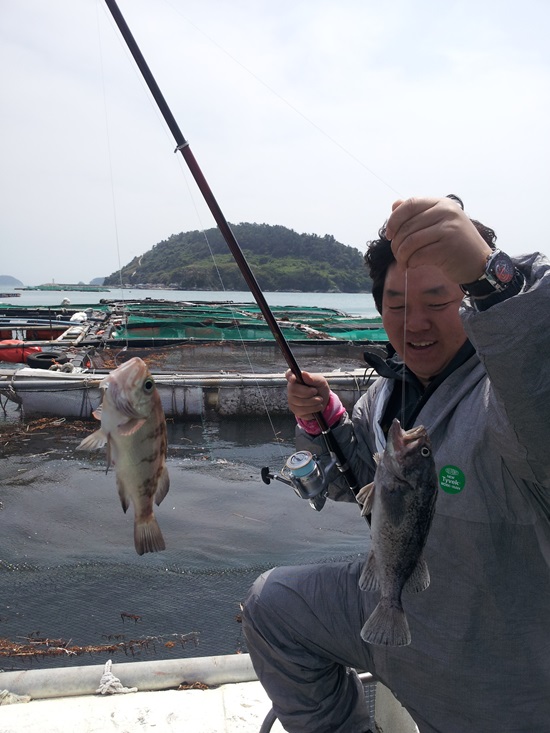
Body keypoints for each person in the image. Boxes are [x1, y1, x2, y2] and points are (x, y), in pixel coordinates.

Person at [241, 195, 550, 733]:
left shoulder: (506, 397)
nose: (416, 325)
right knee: (273, 604)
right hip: (395, 609)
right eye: (398, 305)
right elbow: (358, 481)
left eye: (440, 299)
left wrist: (494, 277)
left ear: (472, 299)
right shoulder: (386, 394)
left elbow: (536, 395)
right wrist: (325, 421)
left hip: (494, 665)